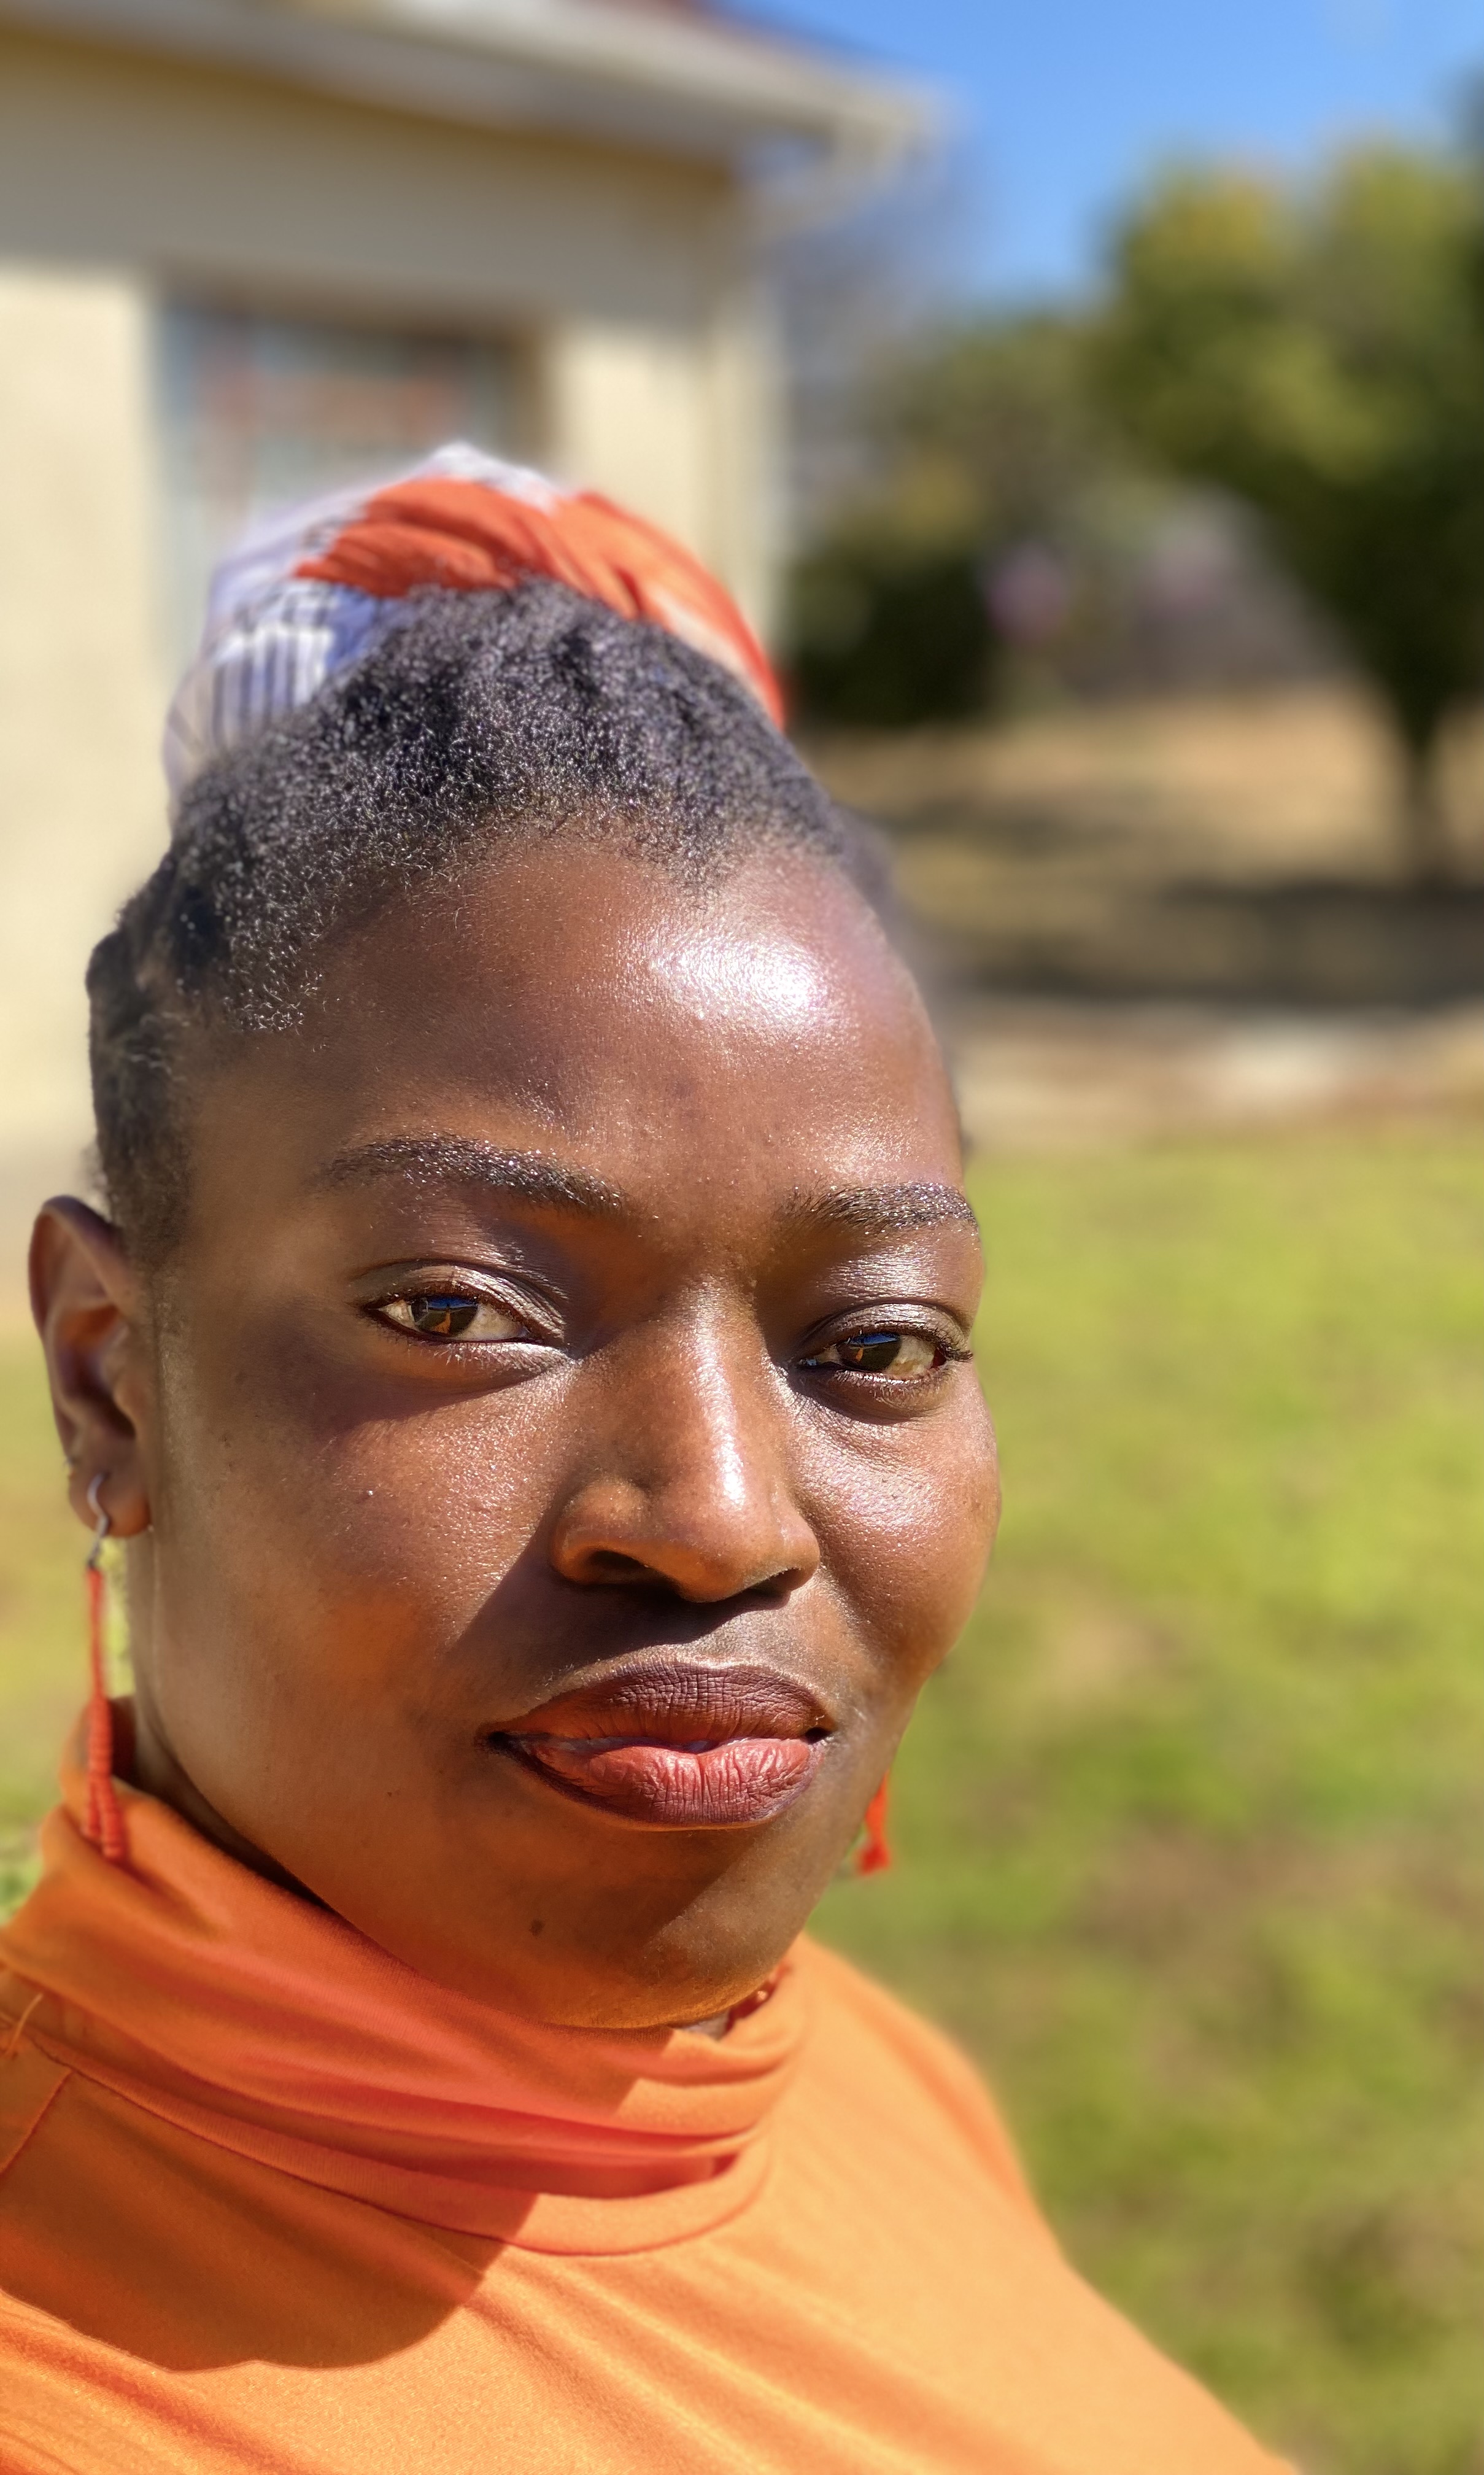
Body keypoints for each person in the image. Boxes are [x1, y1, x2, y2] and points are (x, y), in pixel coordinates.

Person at [0, 449, 1287, 2474]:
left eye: (874, 1343)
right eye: (459, 1312)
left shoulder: (866, 2075)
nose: (721, 1518)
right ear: (107, 1378)